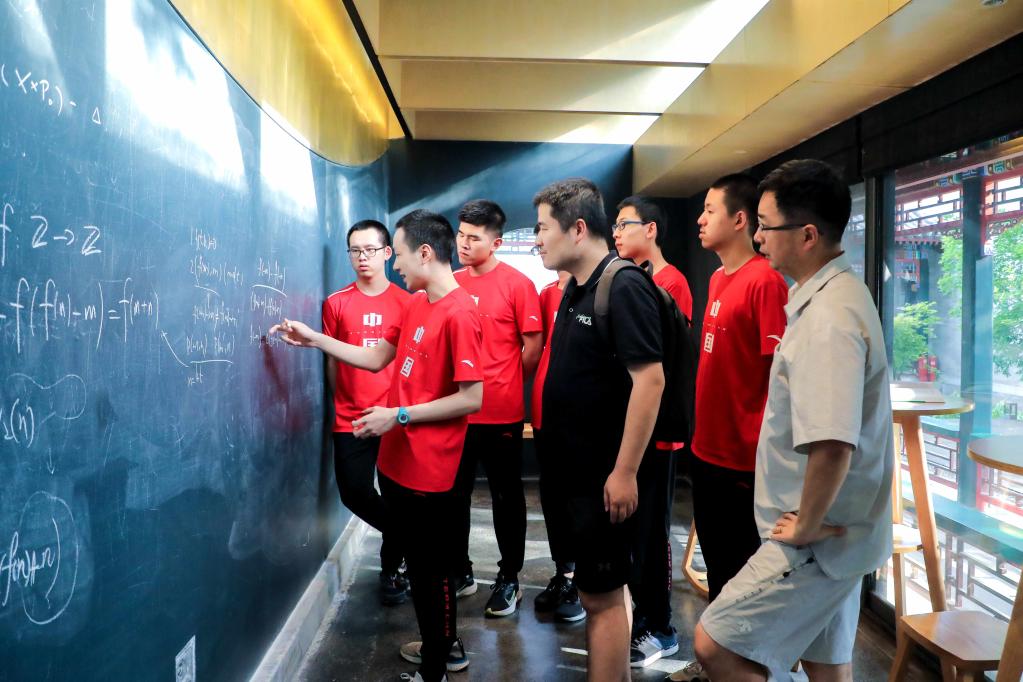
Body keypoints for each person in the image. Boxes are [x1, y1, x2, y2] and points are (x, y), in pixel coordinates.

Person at [693, 159, 894, 682]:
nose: (758, 236)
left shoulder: (829, 317)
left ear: (807, 235)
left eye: (766, 225)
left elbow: (833, 442)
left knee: (715, 643)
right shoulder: (830, 295)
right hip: (832, 533)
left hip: (817, 538)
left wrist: (805, 524)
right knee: (827, 665)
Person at [271, 210, 484, 682]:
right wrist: (315, 339)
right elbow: (373, 359)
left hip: (429, 469)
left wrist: (399, 415)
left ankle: (439, 662)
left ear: (424, 253)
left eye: (399, 255)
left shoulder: (461, 313)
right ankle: (435, 648)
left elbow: (472, 398)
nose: (396, 264)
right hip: (396, 461)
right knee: (423, 567)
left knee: (431, 572)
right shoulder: (418, 304)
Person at [534, 178, 665, 681]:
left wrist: (625, 472)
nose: (538, 239)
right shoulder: (575, 287)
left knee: (602, 599)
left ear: (577, 229)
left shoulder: (623, 286)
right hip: (576, 475)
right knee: (601, 596)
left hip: (605, 480)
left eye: (543, 228)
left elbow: (650, 381)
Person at [670, 175, 788, 681]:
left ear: (740, 220)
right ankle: (714, 665)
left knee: (743, 579)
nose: (700, 220)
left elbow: (781, 379)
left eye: (710, 210)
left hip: (745, 460)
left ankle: (744, 669)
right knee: (719, 569)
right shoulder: (719, 278)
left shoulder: (766, 281)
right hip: (707, 451)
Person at [611, 195, 693, 668]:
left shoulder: (670, 282)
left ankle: (661, 628)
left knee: (653, 532)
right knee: (635, 530)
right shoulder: (634, 278)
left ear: (651, 229)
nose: (617, 233)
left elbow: (666, 369)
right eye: (616, 225)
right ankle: (642, 616)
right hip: (635, 428)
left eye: (625, 224)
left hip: (659, 430)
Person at [451, 199, 543, 617]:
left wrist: (506, 382)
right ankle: (461, 570)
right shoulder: (450, 283)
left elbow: (532, 347)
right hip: (456, 411)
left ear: (496, 242)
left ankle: (510, 578)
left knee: (506, 497)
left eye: (474, 238)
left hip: (501, 412)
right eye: (461, 235)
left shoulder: (518, 284)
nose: (463, 244)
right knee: (455, 494)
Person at [322, 220, 412, 606]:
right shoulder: (336, 303)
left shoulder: (407, 303)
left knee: (396, 495)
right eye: (355, 250)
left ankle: (392, 569)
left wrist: (403, 410)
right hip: (351, 417)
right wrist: (341, 400)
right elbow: (332, 361)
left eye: (370, 249)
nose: (363, 257)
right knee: (355, 493)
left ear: (387, 253)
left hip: (393, 416)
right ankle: (413, 540)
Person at [530, 265, 585, 622]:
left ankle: (583, 582)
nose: (540, 243)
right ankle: (564, 574)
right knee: (553, 498)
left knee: (580, 498)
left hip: (580, 415)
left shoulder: (598, 291)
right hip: (543, 409)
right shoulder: (547, 293)